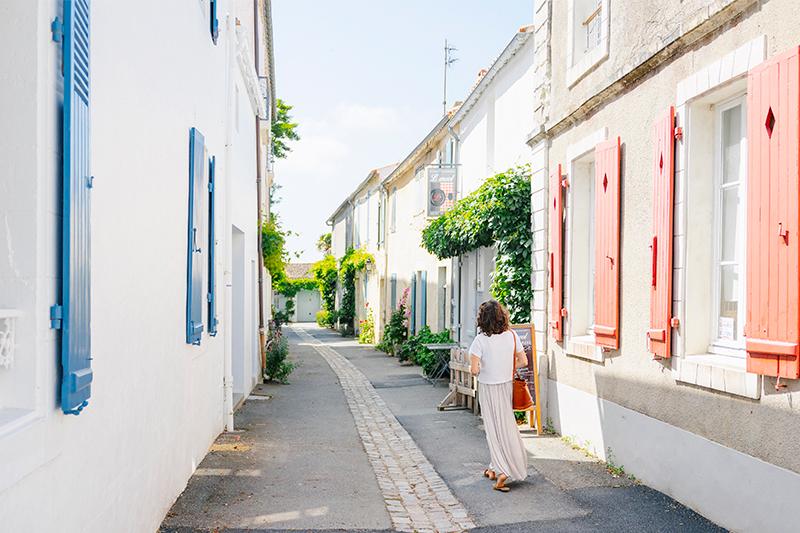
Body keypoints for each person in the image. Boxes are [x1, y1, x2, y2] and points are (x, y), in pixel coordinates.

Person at [469, 300, 528, 492]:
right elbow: (523, 361)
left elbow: (475, 369)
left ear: (482, 319)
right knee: (506, 425)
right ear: (501, 316)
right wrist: (505, 367)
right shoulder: (511, 335)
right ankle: (495, 468)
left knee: (493, 429)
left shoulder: (480, 340)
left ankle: (503, 471)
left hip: (488, 387)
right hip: (506, 385)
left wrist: (477, 368)